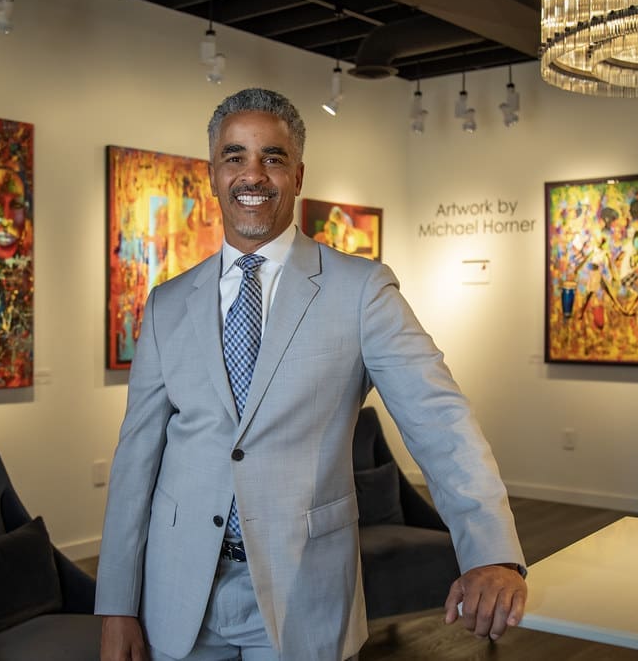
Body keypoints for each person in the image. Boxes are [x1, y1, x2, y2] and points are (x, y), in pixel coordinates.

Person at [95, 88, 526, 661]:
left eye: (272, 157)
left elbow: (438, 420)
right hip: (177, 595)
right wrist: (116, 603)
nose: (253, 174)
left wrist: (491, 551)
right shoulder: (167, 304)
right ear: (213, 174)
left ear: (297, 175)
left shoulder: (361, 290)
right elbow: (136, 459)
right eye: (234, 156)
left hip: (302, 593)